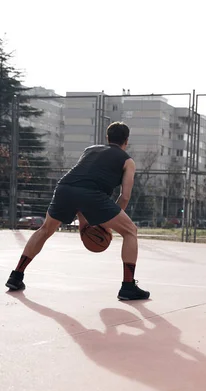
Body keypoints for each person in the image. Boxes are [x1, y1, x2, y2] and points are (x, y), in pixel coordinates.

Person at [5, 121, 149, 301]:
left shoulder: (89, 150)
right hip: (91, 193)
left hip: (65, 186)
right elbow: (125, 196)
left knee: (45, 229)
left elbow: (82, 181)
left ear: (107, 138)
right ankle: (128, 287)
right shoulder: (127, 161)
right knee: (130, 232)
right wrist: (108, 223)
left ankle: (16, 276)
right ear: (126, 141)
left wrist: (85, 222)